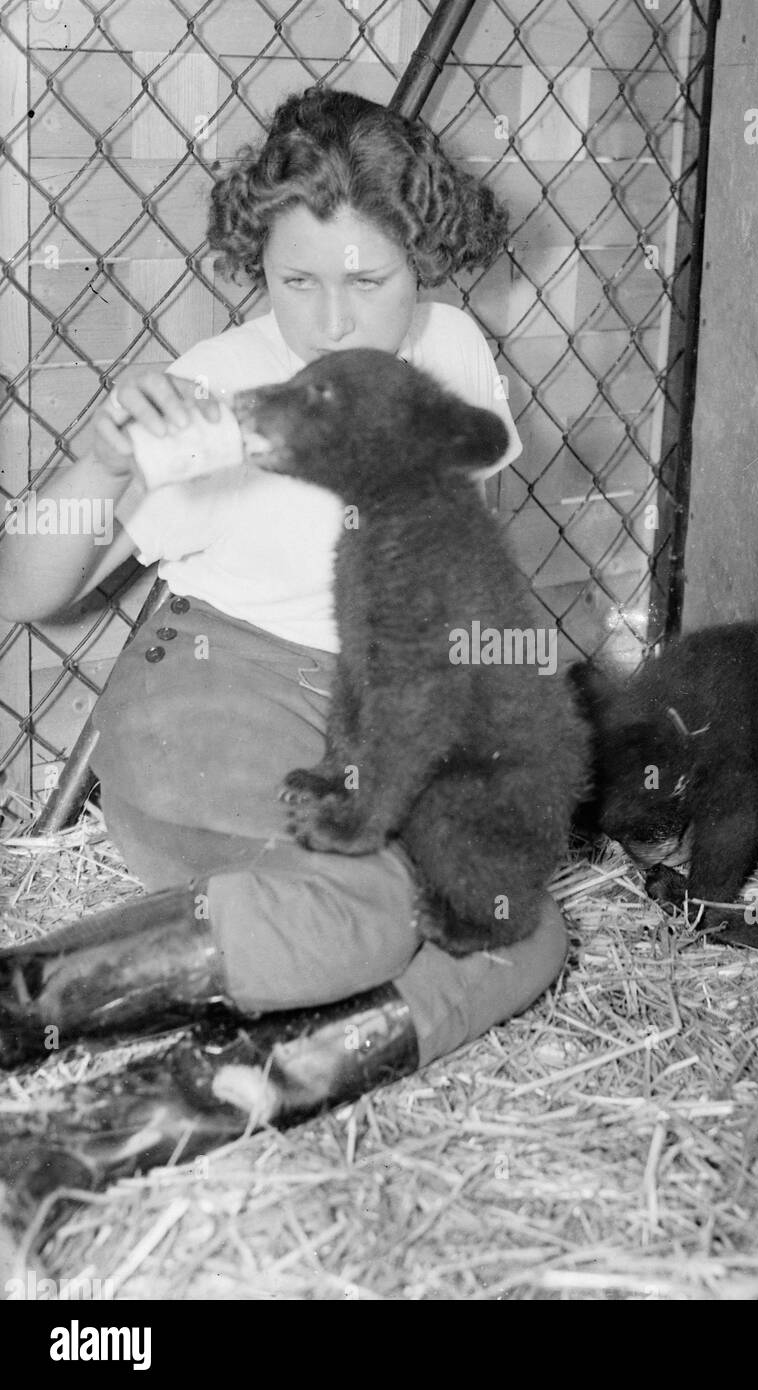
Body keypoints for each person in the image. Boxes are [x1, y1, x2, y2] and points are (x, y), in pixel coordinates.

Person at [0, 89, 568, 1130]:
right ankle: (25, 995)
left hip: (360, 722)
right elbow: (30, 590)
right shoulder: (223, 384)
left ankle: (268, 1075)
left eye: (369, 278)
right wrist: (99, 454)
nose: (332, 319)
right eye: (295, 280)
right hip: (211, 708)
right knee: (383, 908)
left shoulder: (452, 355)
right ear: (256, 262)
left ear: (425, 255)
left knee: (517, 927)